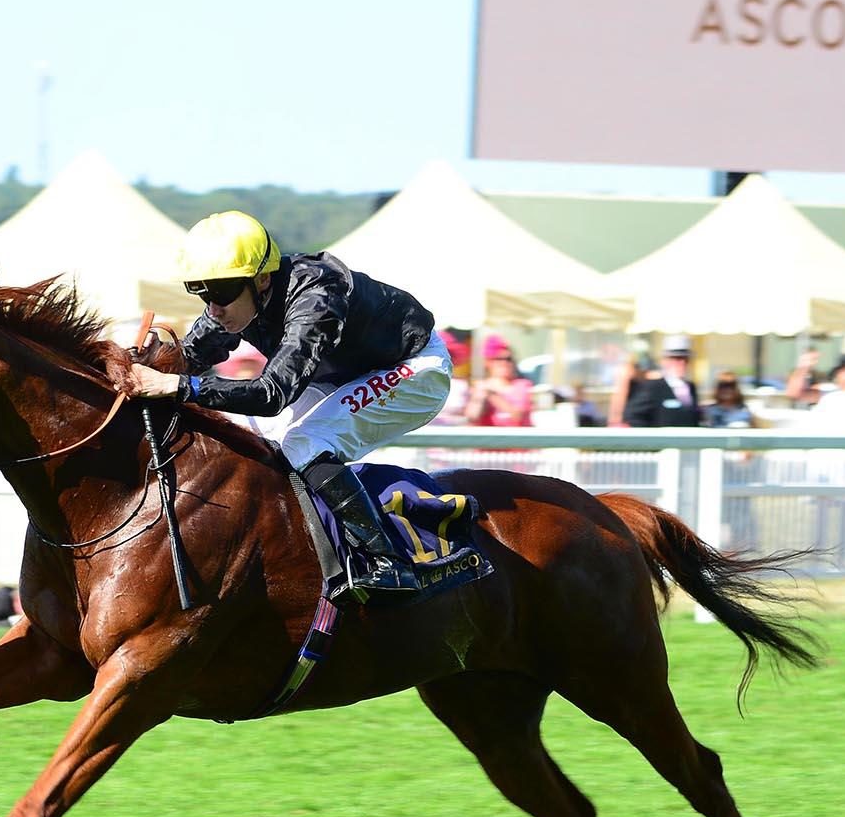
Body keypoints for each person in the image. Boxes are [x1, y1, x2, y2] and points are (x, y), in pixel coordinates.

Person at [122, 211, 448, 598]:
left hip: (413, 369)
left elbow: (272, 394)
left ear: (262, 280)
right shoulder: (237, 303)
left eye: (222, 292)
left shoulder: (316, 298)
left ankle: (387, 562)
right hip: (339, 377)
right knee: (250, 438)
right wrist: (137, 363)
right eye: (203, 292)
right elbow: (190, 355)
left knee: (303, 443)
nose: (214, 308)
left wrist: (178, 385)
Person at [621, 336, 700, 427]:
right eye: (676, 359)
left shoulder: (690, 387)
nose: (682, 363)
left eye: (685, 359)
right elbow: (633, 416)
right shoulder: (652, 387)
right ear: (664, 361)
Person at [465, 334, 535, 428]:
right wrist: (478, 398)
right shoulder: (480, 386)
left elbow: (518, 416)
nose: (504, 363)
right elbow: (472, 419)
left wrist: (492, 395)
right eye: (498, 359)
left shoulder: (522, 385)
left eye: (508, 359)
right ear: (487, 362)